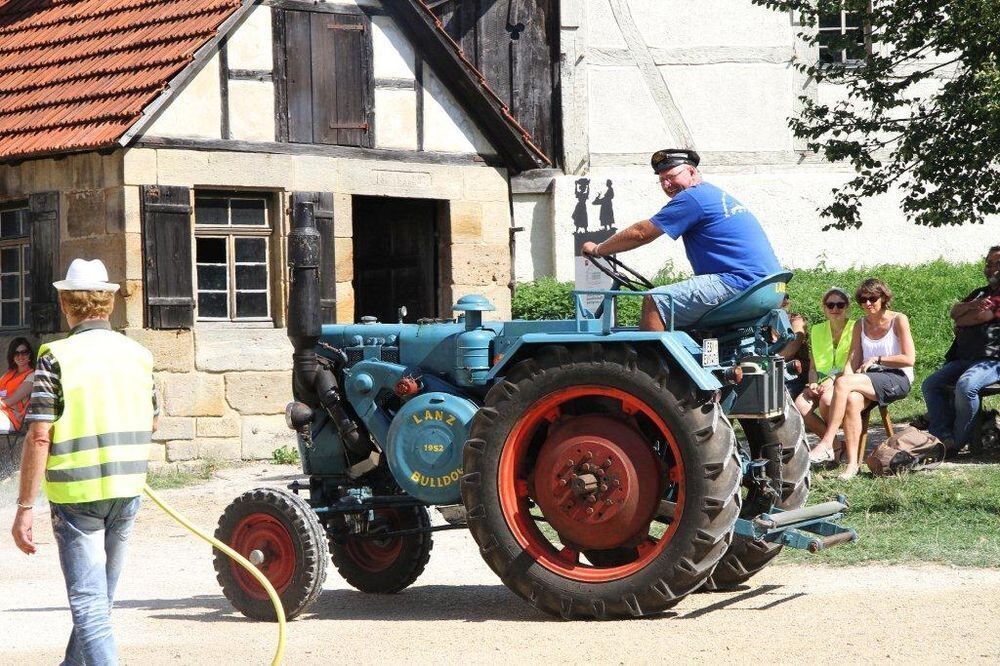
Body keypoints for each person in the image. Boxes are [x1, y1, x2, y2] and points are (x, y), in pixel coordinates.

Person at [10, 258, 158, 665]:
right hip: (127, 488)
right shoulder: (139, 354)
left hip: (77, 494)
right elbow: (153, 419)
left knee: (90, 605)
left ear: (65, 304)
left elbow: (40, 434)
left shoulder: (55, 356)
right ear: (108, 302)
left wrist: (25, 507)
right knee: (98, 602)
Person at [581, 149, 782, 330]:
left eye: (671, 177)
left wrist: (598, 249)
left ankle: (652, 361)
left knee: (656, 300)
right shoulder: (712, 194)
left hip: (740, 282)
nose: (666, 185)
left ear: (692, 172)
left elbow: (641, 233)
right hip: (769, 286)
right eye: (661, 180)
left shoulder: (693, 197)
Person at [809, 278, 915, 480]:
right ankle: (852, 465)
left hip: (897, 376)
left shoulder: (898, 319)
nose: (867, 304)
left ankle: (827, 442)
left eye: (872, 299)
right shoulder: (860, 324)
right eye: (863, 300)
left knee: (843, 382)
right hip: (869, 378)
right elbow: (852, 360)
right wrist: (847, 383)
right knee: (851, 399)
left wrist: (878, 359)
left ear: (883, 298)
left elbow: (909, 359)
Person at [921, 246, 1000, 450]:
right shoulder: (980, 293)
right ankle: (941, 436)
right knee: (930, 384)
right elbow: (954, 311)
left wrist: (964, 317)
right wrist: (971, 306)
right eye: (988, 264)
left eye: (997, 264)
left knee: (966, 386)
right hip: (964, 357)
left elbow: (979, 317)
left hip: (991, 361)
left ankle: (956, 442)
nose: (991, 268)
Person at [794, 288, 856, 437]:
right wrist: (813, 383)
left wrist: (832, 378)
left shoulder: (856, 328)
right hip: (822, 381)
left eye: (840, 305)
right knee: (800, 405)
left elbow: (854, 363)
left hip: (847, 378)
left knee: (827, 400)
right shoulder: (817, 330)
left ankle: (832, 442)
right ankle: (835, 445)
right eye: (830, 305)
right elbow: (813, 368)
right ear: (824, 308)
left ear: (847, 307)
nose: (835, 308)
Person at [777, 294, 810, 398]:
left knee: (776, 395)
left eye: (786, 298)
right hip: (771, 373)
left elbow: (790, 350)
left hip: (794, 374)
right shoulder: (763, 323)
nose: (785, 302)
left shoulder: (796, 320)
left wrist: (764, 360)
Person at [0, 336, 35, 433]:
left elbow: (10, 401)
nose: (20, 357)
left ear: (29, 355)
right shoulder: (8, 374)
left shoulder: (32, 376)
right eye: (16, 353)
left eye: (24, 352)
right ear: (12, 356)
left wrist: (5, 401)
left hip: (11, 419)